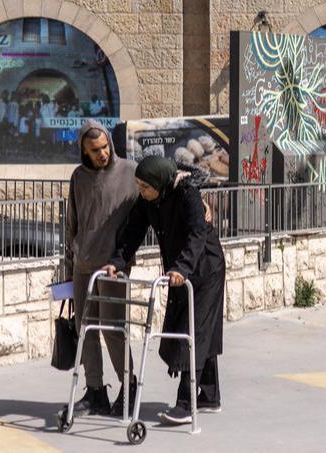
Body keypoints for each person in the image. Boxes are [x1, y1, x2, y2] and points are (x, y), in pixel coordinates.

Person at [105, 156, 225, 424]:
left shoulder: (187, 194)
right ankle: (209, 395)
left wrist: (182, 267)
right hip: (179, 271)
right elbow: (133, 232)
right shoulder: (150, 200)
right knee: (199, 328)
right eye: (139, 185)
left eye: (145, 186)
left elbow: (197, 233)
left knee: (193, 329)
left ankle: (186, 401)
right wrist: (116, 262)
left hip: (205, 268)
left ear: (159, 181)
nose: (141, 191)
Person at [66, 120, 140, 417]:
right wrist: (71, 257)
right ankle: (95, 390)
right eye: (95, 150)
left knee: (113, 329)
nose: (103, 154)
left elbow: (161, 184)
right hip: (83, 265)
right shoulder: (79, 177)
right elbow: (71, 221)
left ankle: (129, 384)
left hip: (113, 267)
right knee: (84, 329)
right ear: (84, 150)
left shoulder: (130, 172)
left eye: (105, 147)